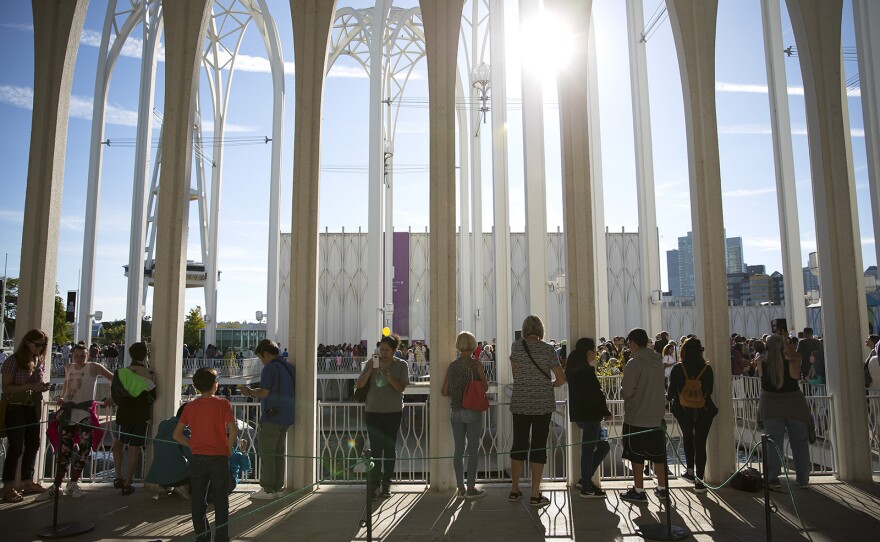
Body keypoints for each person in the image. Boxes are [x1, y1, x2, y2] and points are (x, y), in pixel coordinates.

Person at [38, 344, 113, 501]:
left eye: (83, 356)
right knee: (64, 449)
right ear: (72, 355)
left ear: (88, 356)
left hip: (84, 413)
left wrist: (111, 397)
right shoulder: (68, 367)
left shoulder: (94, 367)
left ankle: (73, 482)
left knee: (85, 448)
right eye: (77, 355)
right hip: (67, 413)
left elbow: (114, 378)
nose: (79, 358)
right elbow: (67, 382)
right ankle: (57, 485)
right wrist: (63, 396)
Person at [508, 315, 566, 508]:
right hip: (542, 403)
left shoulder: (516, 347)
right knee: (539, 446)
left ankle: (515, 489)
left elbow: (516, 374)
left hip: (521, 401)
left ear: (525, 330)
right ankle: (535, 494)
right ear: (541, 330)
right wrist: (547, 383)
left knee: (518, 444)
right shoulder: (548, 350)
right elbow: (561, 379)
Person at [174, 368, 237, 542]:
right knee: (220, 501)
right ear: (215, 385)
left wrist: (192, 445)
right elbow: (233, 429)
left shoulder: (190, 407)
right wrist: (229, 447)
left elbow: (177, 434)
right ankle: (221, 538)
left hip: (197, 459)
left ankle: (202, 537)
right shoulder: (223, 404)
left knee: (198, 501)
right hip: (218, 458)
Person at [240, 339, 295, 500]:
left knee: (267, 453)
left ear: (266, 354)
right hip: (287, 416)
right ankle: (278, 487)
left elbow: (264, 393)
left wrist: (249, 392)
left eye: (261, 357)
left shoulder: (270, 368)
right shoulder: (289, 367)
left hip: (272, 416)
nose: (262, 361)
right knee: (279, 453)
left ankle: (268, 489)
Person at [356, 334, 409, 499]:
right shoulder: (372, 363)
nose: (383, 353)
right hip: (373, 411)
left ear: (394, 351)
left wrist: (387, 375)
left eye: (387, 350)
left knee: (389, 448)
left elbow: (400, 387)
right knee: (376, 448)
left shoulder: (402, 365)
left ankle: (387, 483)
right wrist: (371, 369)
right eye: (381, 349)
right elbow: (359, 384)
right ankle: (374, 483)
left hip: (393, 412)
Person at [619, 328, 668, 504]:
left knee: (636, 456)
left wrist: (623, 391)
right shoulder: (658, 360)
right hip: (656, 417)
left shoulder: (634, 363)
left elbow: (627, 391)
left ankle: (639, 490)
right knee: (658, 455)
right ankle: (662, 488)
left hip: (637, 418)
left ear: (632, 343)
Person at [2, 329, 51, 502]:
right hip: (15, 408)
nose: (40, 348)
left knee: (33, 444)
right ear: (27, 343)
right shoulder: (12, 361)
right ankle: (8, 487)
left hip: (32, 408)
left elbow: (34, 384)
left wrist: (41, 387)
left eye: (43, 345)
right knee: (15, 448)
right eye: (37, 344)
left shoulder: (39, 360)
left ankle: (27, 481)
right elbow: (6, 388)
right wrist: (30, 387)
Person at [758, 333, 812, 488]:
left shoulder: (762, 362)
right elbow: (797, 356)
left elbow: (762, 377)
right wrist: (786, 342)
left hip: (770, 407)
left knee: (773, 444)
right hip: (794, 406)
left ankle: (773, 477)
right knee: (800, 443)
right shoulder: (793, 363)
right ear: (783, 347)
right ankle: (803, 479)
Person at [666, 337, 718, 493]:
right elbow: (710, 390)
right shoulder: (707, 369)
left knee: (688, 438)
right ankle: (700, 482)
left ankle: (689, 471)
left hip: (683, 411)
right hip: (703, 411)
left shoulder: (677, 369)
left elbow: (670, 394)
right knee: (700, 443)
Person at [441, 331, 488, 499]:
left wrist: (457, 393)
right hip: (473, 412)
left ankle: (460, 488)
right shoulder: (476, 365)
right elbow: (485, 387)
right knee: (473, 450)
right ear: (474, 345)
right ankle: (470, 488)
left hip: (456, 412)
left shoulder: (452, 366)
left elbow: (444, 391)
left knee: (458, 451)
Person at [565, 337, 611, 499]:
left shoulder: (574, 369)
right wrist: (606, 411)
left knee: (600, 447)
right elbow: (596, 394)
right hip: (591, 415)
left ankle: (584, 480)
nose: (597, 353)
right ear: (589, 352)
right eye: (595, 350)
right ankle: (586, 486)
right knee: (590, 450)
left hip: (581, 415)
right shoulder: (586, 371)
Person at [111, 342, 157, 496]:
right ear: (145, 355)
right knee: (134, 448)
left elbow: (115, 395)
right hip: (141, 415)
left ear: (130, 354)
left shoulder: (121, 373)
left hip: (123, 413)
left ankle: (117, 476)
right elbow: (153, 397)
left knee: (118, 443)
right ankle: (128, 482)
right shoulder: (149, 375)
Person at [145, 404, 192, 499]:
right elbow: (190, 455)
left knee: (166, 457)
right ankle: (180, 487)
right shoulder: (183, 431)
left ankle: (163, 488)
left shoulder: (164, 425)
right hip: (177, 474)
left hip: (158, 473)